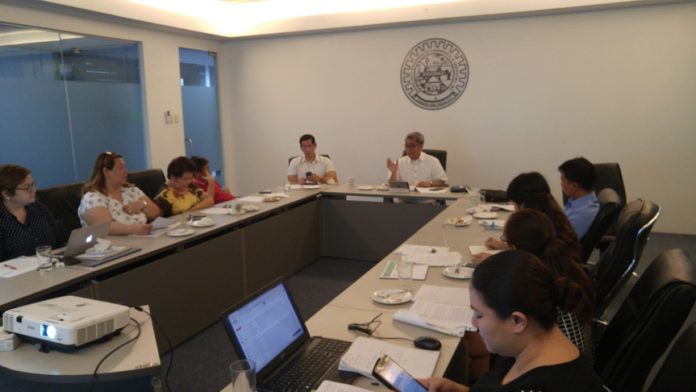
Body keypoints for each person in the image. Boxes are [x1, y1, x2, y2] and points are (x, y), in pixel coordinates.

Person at [421, 250, 604, 392]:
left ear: (517, 321)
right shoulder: (528, 346)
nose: (474, 324)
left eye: (479, 315)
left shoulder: (544, 384)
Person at [472, 209, 594, 354]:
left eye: (506, 242)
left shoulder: (533, 286)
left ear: (516, 248)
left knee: (470, 344)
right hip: (574, 357)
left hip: (550, 363)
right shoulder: (565, 268)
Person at [478, 172, 580, 261]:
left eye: (514, 204)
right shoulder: (552, 217)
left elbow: (527, 265)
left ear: (523, 205)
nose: (514, 210)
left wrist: (494, 261)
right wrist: (506, 247)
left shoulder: (534, 227)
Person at [79, 152, 161, 235]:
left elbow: (156, 213)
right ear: (106, 172)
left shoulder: (131, 190)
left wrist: (142, 204)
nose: (126, 171)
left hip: (144, 240)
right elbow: (105, 227)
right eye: (121, 168)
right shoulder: (92, 198)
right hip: (114, 246)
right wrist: (133, 230)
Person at [0, 164, 57, 260]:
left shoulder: (38, 207)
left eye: (33, 184)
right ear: (6, 194)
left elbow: (58, 239)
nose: (34, 190)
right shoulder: (2, 220)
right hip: (16, 273)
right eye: (27, 187)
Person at [559, 157, 600, 238]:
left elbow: (561, 241)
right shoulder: (578, 201)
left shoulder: (582, 214)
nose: (561, 184)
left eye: (563, 180)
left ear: (574, 186)